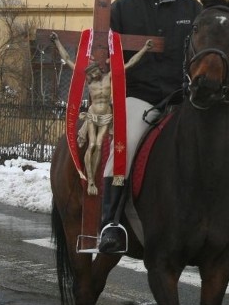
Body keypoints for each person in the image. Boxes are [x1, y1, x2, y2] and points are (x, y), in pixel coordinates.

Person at [97, 0, 229, 254]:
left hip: (184, 100)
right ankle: (112, 222)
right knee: (127, 144)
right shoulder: (123, 8)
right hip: (139, 98)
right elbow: (106, 58)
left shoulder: (193, 9)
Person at [50, 32, 152, 196]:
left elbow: (130, 63)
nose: (92, 74)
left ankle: (98, 179)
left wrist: (145, 49)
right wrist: (56, 42)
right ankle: (90, 181)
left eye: (94, 72)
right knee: (92, 145)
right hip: (92, 116)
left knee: (98, 144)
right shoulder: (89, 81)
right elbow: (68, 60)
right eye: (90, 73)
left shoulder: (108, 77)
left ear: (98, 70)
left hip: (106, 117)